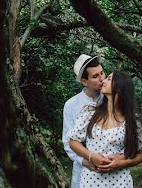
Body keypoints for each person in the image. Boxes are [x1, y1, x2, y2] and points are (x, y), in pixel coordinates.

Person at [68, 70, 142, 188]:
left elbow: (140, 154)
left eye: (109, 79)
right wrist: (91, 156)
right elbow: (73, 142)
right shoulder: (90, 111)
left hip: (120, 182)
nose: (103, 80)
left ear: (119, 88)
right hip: (90, 181)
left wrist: (122, 163)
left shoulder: (132, 120)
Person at [63, 54, 106, 188]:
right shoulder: (71, 105)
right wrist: (84, 160)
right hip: (83, 172)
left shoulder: (111, 98)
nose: (102, 79)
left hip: (111, 171)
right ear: (84, 82)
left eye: (102, 73)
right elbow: (67, 141)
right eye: (95, 76)